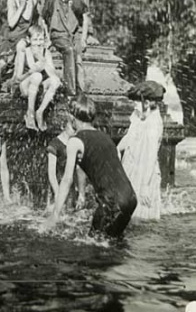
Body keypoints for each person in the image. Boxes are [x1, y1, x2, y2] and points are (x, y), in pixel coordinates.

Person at [45, 95, 137, 238]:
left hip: (112, 202)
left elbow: (67, 179)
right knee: (114, 242)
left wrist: (55, 214)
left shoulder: (74, 141)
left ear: (72, 117)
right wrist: (82, 194)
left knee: (94, 246)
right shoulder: (105, 137)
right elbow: (85, 167)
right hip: (130, 198)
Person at [0, 0, 42, 100]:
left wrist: (40, 34)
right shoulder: (12, 1)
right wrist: (21, 6)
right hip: (12, 35)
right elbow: (11, 23)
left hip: (24, 36)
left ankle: (15, 85)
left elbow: (33, 18)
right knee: (1, 64)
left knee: (20, 47)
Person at [118, 80, 165, 220]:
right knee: (126, 212)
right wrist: (117, 149)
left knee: (142, 217)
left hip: (145, 174)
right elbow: (129, 136)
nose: (135, 105)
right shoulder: (139, 117)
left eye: (138, 102)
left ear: (148, 103)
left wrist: (145, 185)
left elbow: (151, 156)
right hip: (132, 166)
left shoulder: (153, 123)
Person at [40, 0, 91, 96]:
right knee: (69, 50)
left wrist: (83, 38)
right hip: (57, 35)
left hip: (72, 35)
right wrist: (46, 38)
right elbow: (43, 19)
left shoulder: (74, 0)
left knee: (78, 57)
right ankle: (71, 92)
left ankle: (82, 91)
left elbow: (85, 17)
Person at [13, 24, 61, 131]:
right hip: (25, 86)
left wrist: (42, 60)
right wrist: (30, 72)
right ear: (28, 40)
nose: (38, 43)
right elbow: (18, 78)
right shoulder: (24, 52)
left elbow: (53, 75)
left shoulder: (46, 52)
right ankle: (30, 113)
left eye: (41, 39)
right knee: (37, 76)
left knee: (56, 81)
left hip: (39, 87)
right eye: (35, 40)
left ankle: (40, 111)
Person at [47, 111, 86, 209]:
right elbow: (51, 174)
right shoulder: (54, 144)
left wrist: (81, 192)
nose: (75, 132)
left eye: (76, 129)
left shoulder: (76, 144)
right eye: (73, 128)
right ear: (63, 127)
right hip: (57, 186)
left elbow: (79, 169)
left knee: (70, 213)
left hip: (71, 187)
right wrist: (57, 193)